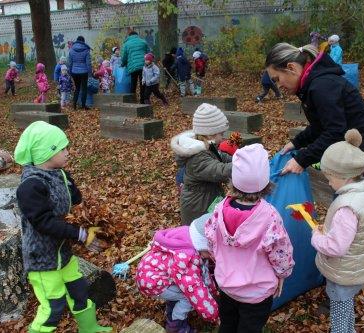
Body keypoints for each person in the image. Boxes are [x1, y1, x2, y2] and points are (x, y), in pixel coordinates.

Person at [14, 121, 112, 333]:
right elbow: (43, 222)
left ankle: (90, 328)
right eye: (62, 148)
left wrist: (70, 183)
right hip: (43, 260)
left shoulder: (58, 173)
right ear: (46, 153)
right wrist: (79, 233)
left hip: (63, 254)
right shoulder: (31, 186)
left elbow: (75, 200)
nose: (68, 152)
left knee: (79, 292)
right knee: (53, 307)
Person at [265, 42, 364, 194]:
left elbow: (335, 132)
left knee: (345, 216)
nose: (278, 86)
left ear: (291, 68)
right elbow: (320, 125)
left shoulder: (321, 86)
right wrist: (296, 142)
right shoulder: (314, 84)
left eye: (277, 79)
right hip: (351, 168)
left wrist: (302, 160)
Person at [205, 143, 295, 333]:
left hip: (227, 285)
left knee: (228, 325)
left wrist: (222, 261)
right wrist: (282, 274)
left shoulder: (220, 209)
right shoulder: (269, 216)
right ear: (265, 182)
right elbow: (281, 251)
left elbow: (211, 240)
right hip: (257, 292)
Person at [311, 129, 364, 333]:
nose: (328, 181)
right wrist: (331, 229)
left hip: (342, 271)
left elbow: (336, 247)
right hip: (356, 267)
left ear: (345, 176)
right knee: (346, 305)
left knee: (339, 315)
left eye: (330, 177)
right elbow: (354, 232)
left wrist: (317, 236)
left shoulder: (347, 207)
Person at [136, 214, 218, 332]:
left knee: (182, 293)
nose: (211, 256)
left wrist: (213, 293)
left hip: (151, 273)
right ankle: (176, 325)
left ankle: (173, 306)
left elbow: (204, 274)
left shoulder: (186, 239)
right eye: (210, 252)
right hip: (154, 282)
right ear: (203, 245)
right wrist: (213, 313)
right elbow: (193, 289)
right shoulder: (186, 258)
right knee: (187, 298)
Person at [170, 103, 231, 225]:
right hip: (197, 206)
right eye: (221, 134)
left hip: (207, 199)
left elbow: (221, 157)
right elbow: (218, 170)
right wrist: (244, 164)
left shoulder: (208, 147)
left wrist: (240, 156)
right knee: (198, 238)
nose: (223, 138)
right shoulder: (197, 157)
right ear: (210, 134)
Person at [121, 31, 150, 102]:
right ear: (137, 35)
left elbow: (124, 56)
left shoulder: (126, 44)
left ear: (129, 36)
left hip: (133, 67)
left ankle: (133, 101)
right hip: (143, 66)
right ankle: (143, 101)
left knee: (133, 84)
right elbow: (149, 54)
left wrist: (123, 64)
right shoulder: (143, 42)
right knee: (143, 83)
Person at [68, 36, 92, 110]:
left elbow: (70, 63)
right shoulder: (86, 50)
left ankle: (74, 106)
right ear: (83, 42)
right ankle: (83, 106)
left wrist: (70, 72)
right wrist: (90, 73)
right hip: (84, 72)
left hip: (74, 72)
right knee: (84, 89)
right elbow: (88, 63)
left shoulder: (71, 50)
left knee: (77, 88)